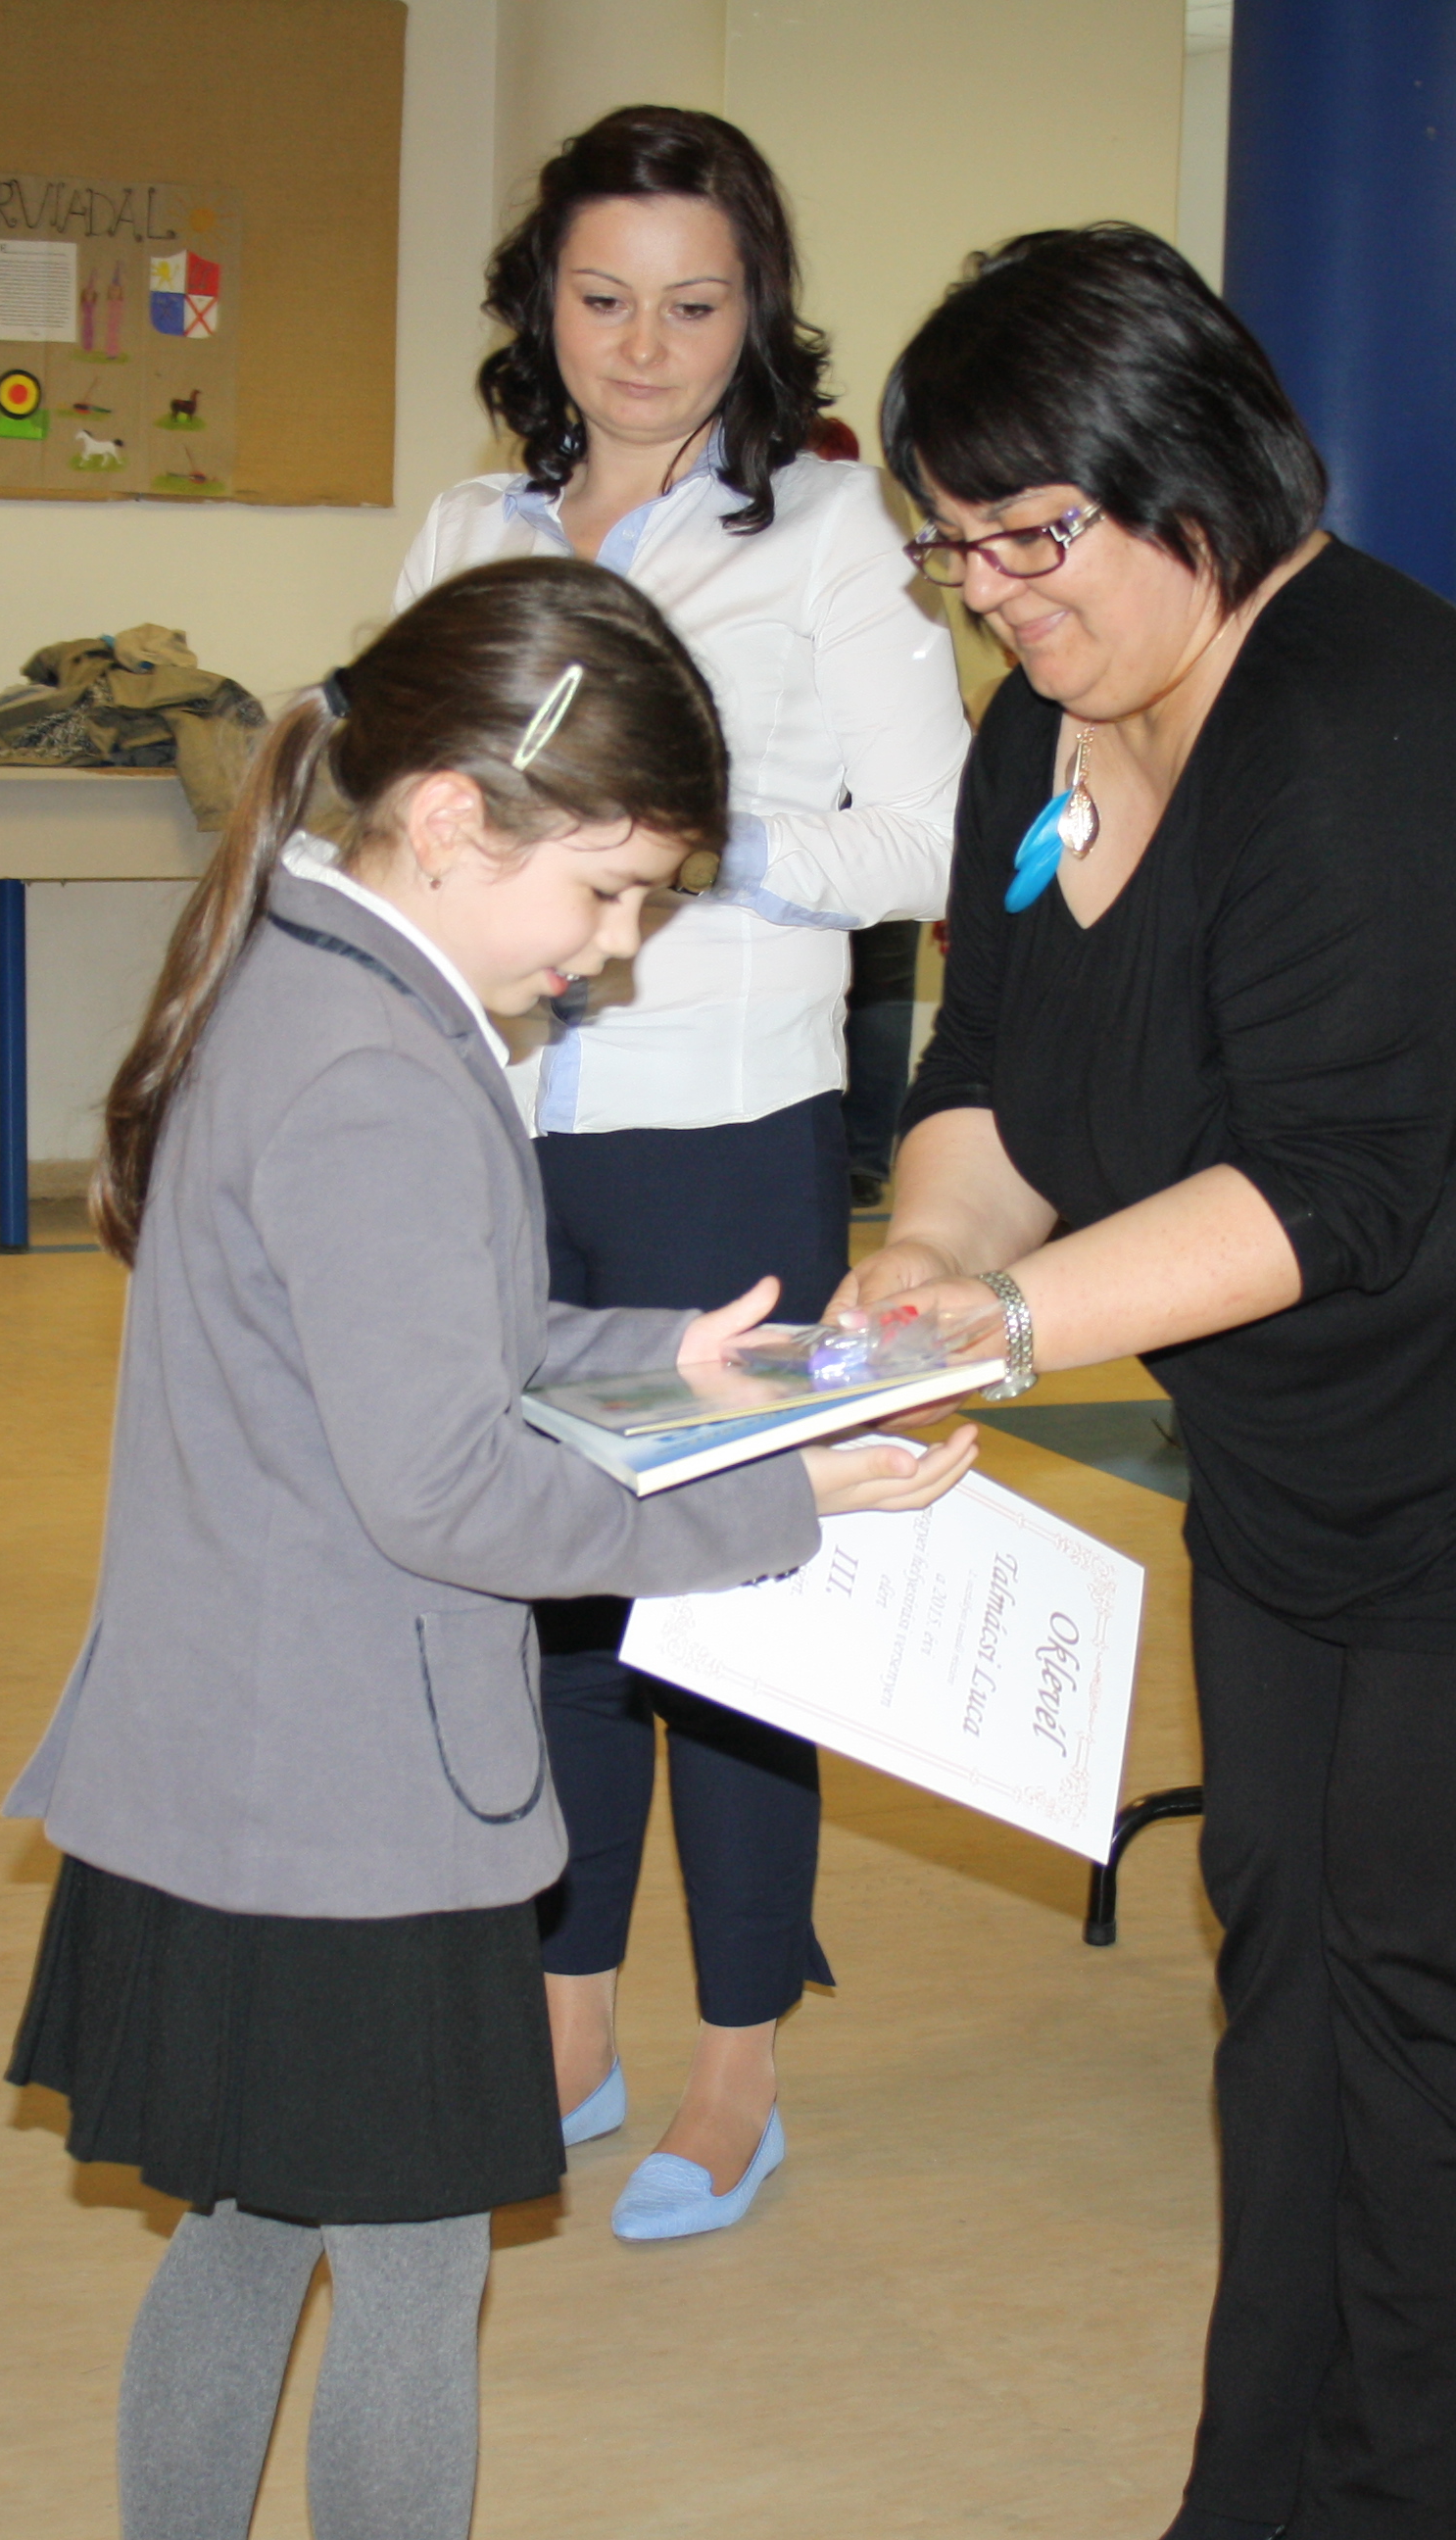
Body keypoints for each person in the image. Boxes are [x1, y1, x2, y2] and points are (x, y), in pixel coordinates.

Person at [858, 226, 1456, 2540]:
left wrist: (1000, 1334)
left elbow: (1333, 1187)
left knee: (1439, 1979)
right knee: (1286, 1936)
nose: (992, 595)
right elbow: (986, 1079)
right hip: (1302, 1414)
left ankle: (1400, 2507)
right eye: (955, 545)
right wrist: (921, 1264)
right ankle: (1251, 2493)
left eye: (1031, 535)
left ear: (1189, 477)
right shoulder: (1038, 727)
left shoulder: (1376, 721)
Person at [1, 558, 975, 2539]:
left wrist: (668, 1360)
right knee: (410, 2271)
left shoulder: (313, 974)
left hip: (241, 1773)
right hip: (341, 1809)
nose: (613, 953)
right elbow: (442, 1492)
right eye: (607, 894)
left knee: (252, 2231)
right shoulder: (379, 1066)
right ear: (451, 817)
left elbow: (413, 1329)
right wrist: (776, 1503)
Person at [393, 105, 968, 2236]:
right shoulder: (467, 523)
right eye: (603, 298)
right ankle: (570, 2024)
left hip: (719, 1131)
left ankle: (738, 2069)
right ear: (539, 302)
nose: (644, 347)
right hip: (493, 1127)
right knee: (543, 1592)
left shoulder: (819, 528)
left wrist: (670, 852)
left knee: (725, 1611)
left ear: (758, 309)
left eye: (695, 305)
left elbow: (923, 838)